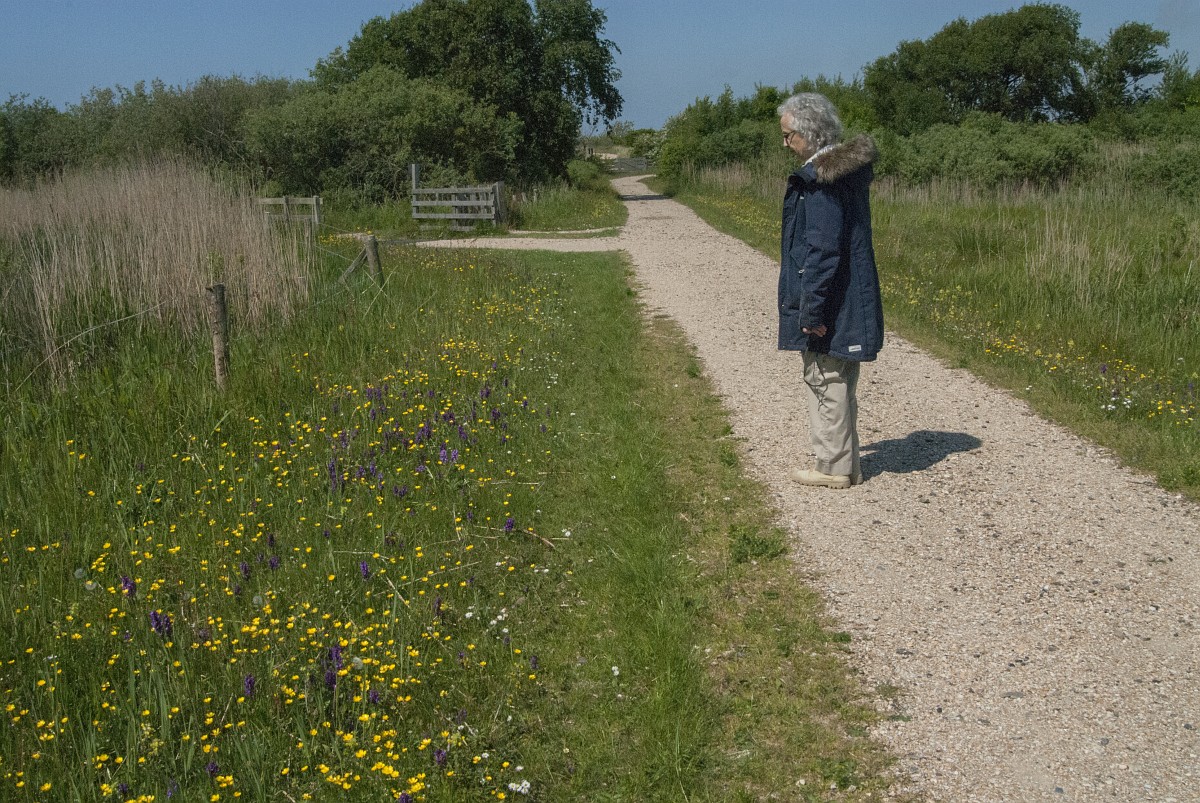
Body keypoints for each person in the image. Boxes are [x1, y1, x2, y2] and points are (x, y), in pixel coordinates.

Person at [777, 92, 883, 489]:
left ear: (809, 134)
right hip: (848, 294)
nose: (784, 143)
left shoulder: (821, 182)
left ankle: (833, 469)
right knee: (839, 377)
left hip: (834, 299)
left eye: (788, 135)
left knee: (825, 377)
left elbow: (821, 251)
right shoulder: (842, 175)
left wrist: (811, 311)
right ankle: (848, 465)